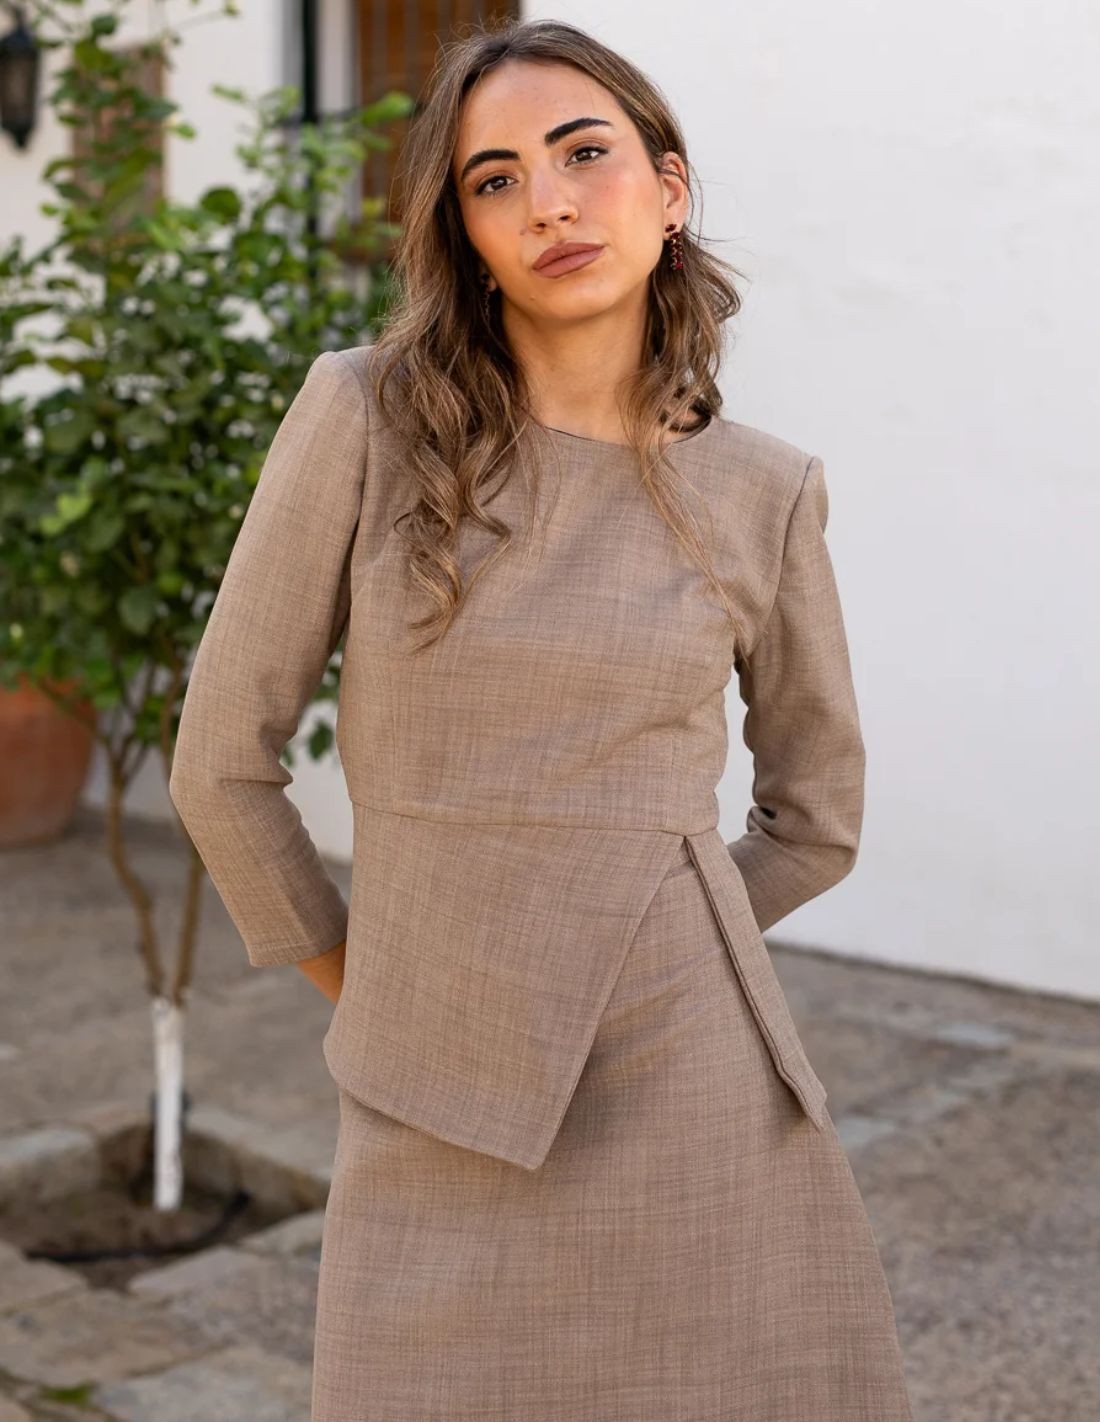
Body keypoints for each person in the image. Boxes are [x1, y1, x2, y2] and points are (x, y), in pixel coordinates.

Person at [168, 16, 915, 1420]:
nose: (550, 204)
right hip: (430, 1073)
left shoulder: (765, 489)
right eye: (495, 180)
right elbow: (220, 763)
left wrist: (647, 930)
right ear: (465, 234)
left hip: (687, 1075)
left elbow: (817, 820)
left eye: (584, 155)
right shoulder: (365, 416)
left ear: (669, 190)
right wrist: (369, 978)